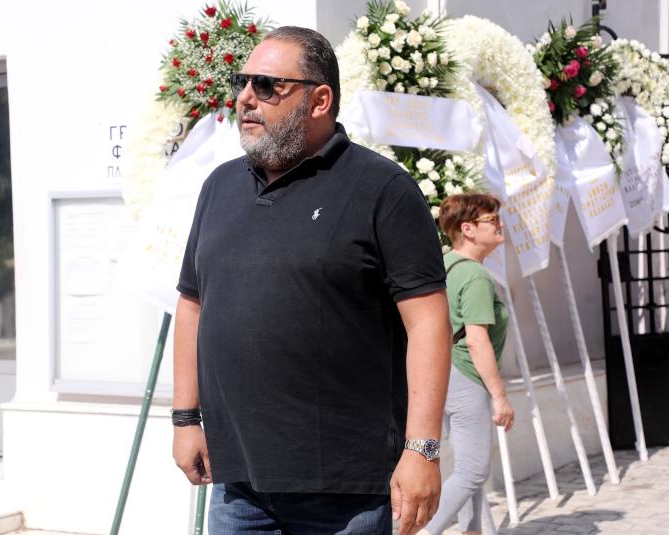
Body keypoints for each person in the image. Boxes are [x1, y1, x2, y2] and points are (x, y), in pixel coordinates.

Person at [172, 26, 452, 535]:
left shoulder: (383, 189)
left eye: (266, 85)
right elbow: (192, 304)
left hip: (346, 492)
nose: (246, 98)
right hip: (238, 486)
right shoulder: (219, 187)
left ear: (320, 100)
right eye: (241, 82)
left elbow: (429, 323)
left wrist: (423, 449)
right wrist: (186, 419)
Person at [420, 194, 514, 535]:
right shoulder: (475, 276)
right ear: (468, 229)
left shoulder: (443, 264)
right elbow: (476, 340)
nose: (500, 225)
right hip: (466, 375)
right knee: (473, 470)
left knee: (465, 466)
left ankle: (472, 531)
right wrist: (500, 397)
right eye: (492, 220)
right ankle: (423, 532)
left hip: (441, 373)